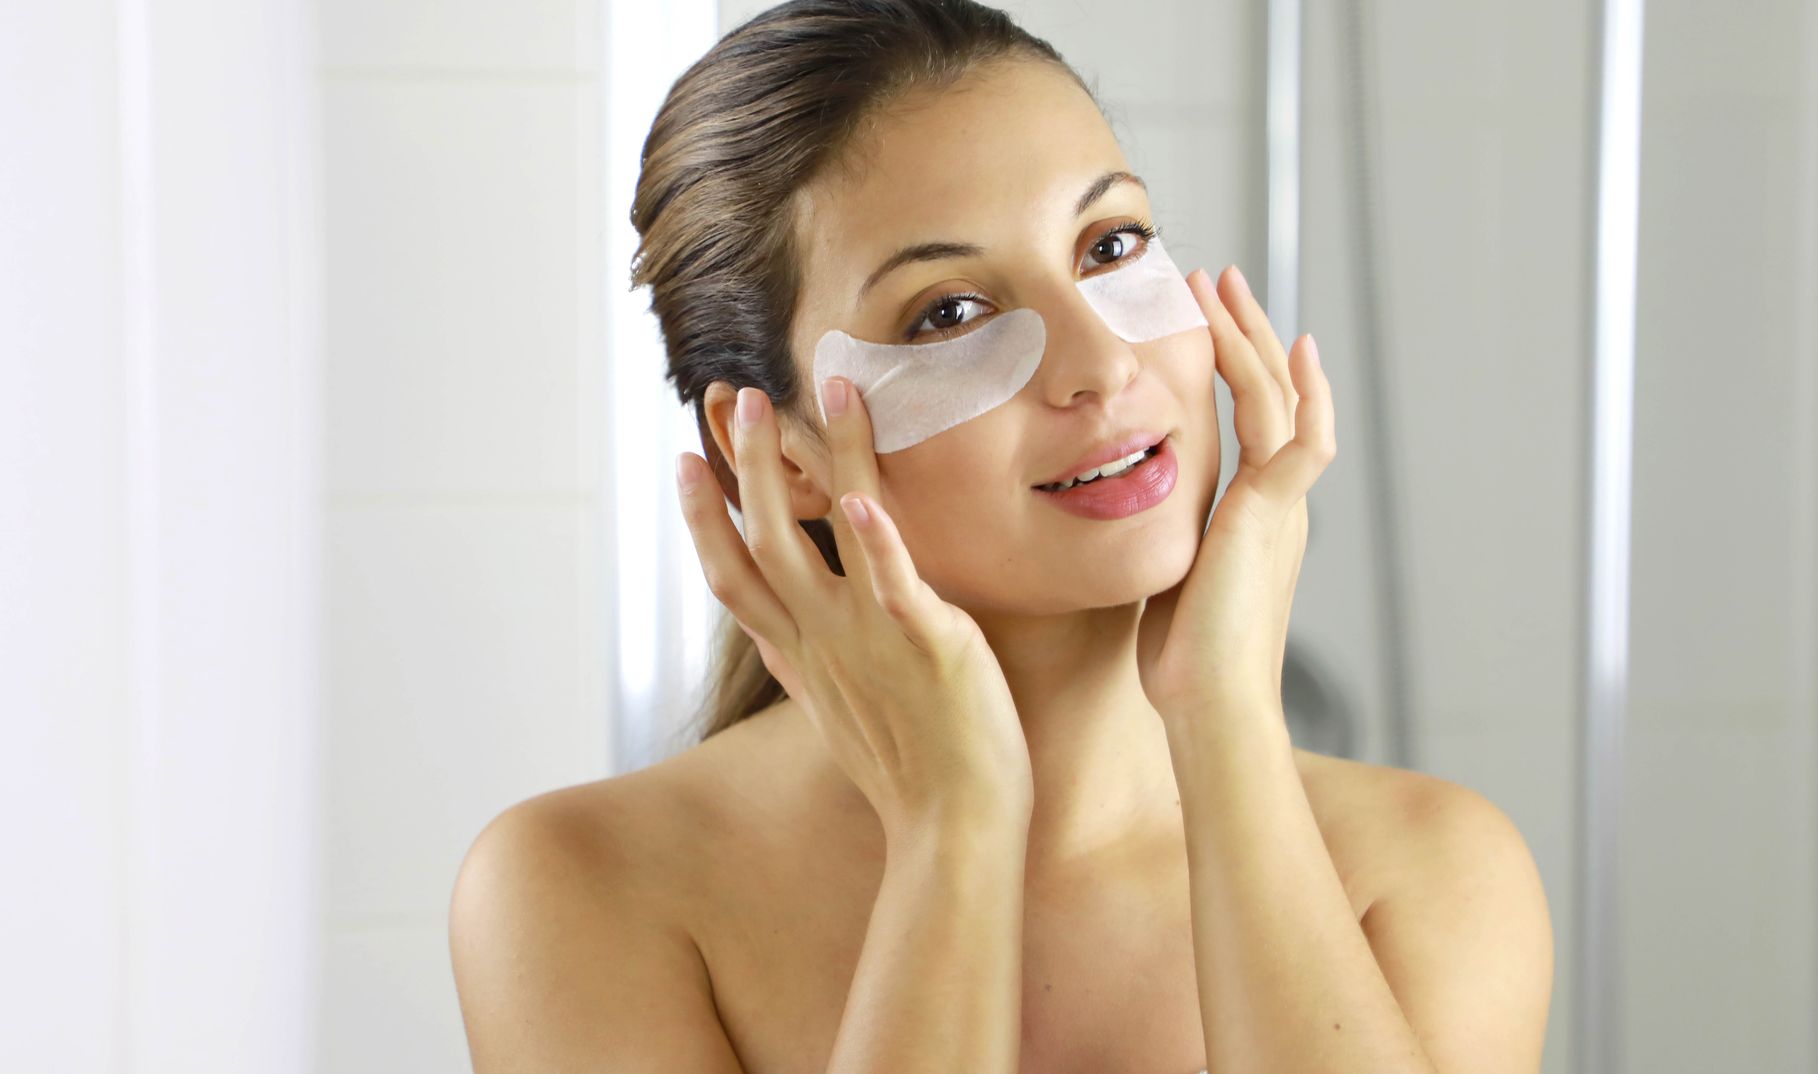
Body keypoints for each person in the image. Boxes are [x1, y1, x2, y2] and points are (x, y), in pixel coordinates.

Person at [449, 2, 1553, 1071]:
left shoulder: (1431, 874)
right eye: (950, 315)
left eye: (1111, 244)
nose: (1102, 364)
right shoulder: (585, 891)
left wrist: (1224, 725)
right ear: (781, 455)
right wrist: (954, 832)